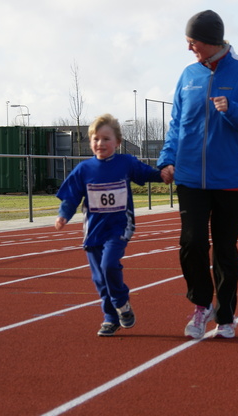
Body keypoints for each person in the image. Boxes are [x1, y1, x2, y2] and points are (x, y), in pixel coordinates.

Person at [158, 10, 238, 339]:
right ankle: (200, 303)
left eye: (192, 42)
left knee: (224, 249)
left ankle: (225, 315)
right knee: (192, 242)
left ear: (209, 41)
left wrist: (233, 110)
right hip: (191, 177)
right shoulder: (187, 76)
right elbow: (176, 126)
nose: (189, 48)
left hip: (234, 179)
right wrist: (167, 160)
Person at [55, 113, 164, 337]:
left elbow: (147, 173)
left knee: (109, 265)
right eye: (95, 139)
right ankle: (110, 317)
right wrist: (63, 215)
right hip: (94, 231)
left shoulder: (126, 163)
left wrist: (165, 175)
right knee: (99, 278)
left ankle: (121, 302)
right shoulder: (84, 169)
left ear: (118, 142)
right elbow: (71, 197)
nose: (100, 143)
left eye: (106, 139)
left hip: (119, 227)